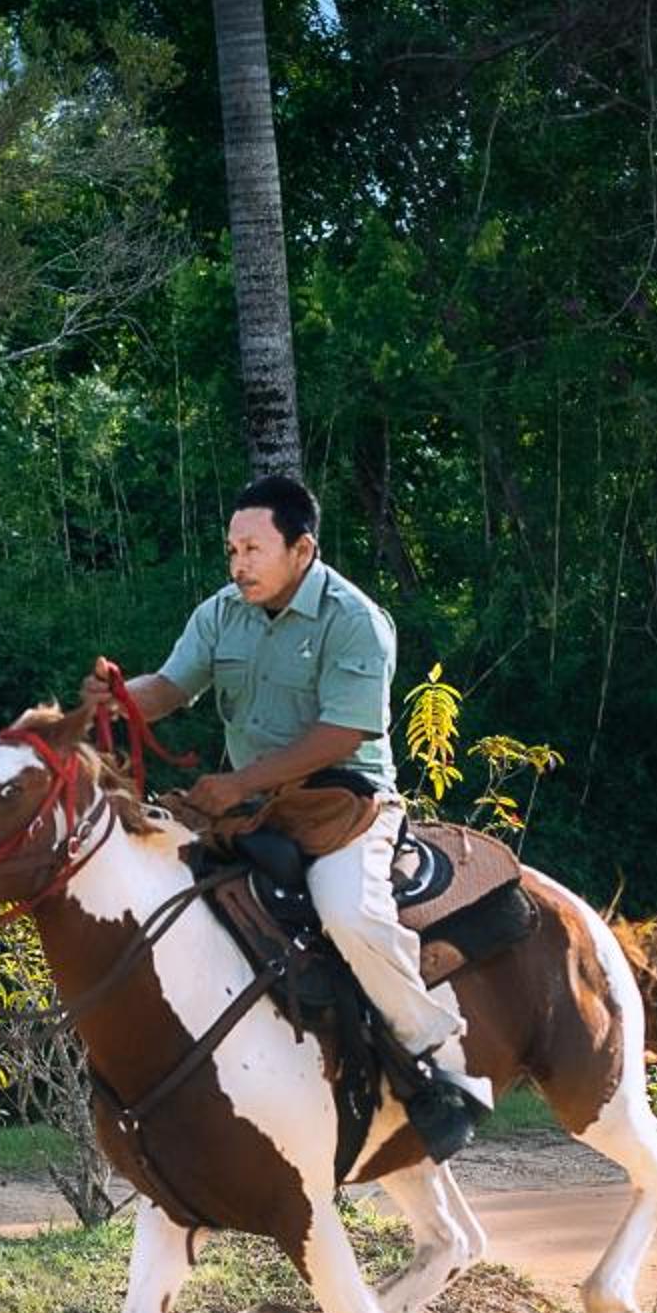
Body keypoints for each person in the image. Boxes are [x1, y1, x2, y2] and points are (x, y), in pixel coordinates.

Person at [81, 474, 491, 1159]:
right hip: (250, 808)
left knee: (350, 914)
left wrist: (238, 782)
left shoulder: (355, 619)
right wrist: (123, 698)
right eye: (231, 550)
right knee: (150, 885)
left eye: (253, 549)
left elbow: (343, 733)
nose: (237, 564)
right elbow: (172, 687)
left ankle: (436, 1064)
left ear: (302, 549)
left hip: (346, 801)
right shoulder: (221, 612)